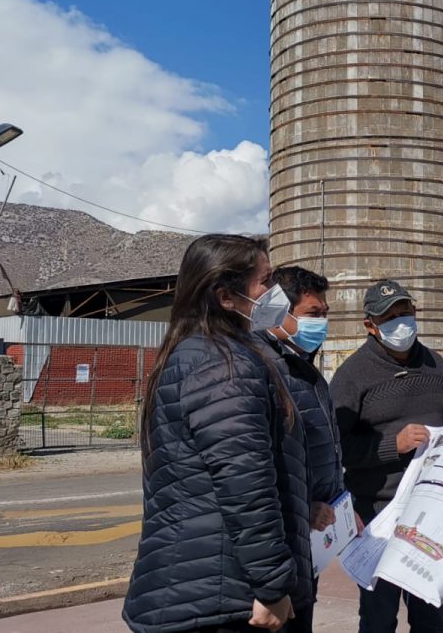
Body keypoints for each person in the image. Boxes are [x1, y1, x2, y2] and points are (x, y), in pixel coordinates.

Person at [123, 235, 313, 633]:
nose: (273, 293)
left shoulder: (205, 353)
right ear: (226, 297)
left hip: (207, 587)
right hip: (226, 600)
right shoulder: (221, 365)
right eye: (264, 281)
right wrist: (273, 585)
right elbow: (246, 484)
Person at [329, 279, 443, 633]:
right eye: (389, 316)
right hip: (378, 516)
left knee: (432, 613)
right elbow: (335, 446)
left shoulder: (435, 364)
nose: (401, 322)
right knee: (378, 618)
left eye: (406, 312)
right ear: (370, 326)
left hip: (432, 513)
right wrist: (393, 444)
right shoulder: (352, 376)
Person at [258, 265, 346, 632]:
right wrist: (300, 508)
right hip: (281, 539)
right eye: (313, 314)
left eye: (325, 314)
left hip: (310, 537)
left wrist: (340, 500)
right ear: (280, 313)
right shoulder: (265, 370)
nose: (321, 324)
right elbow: (257, 464)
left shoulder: (305, 370)